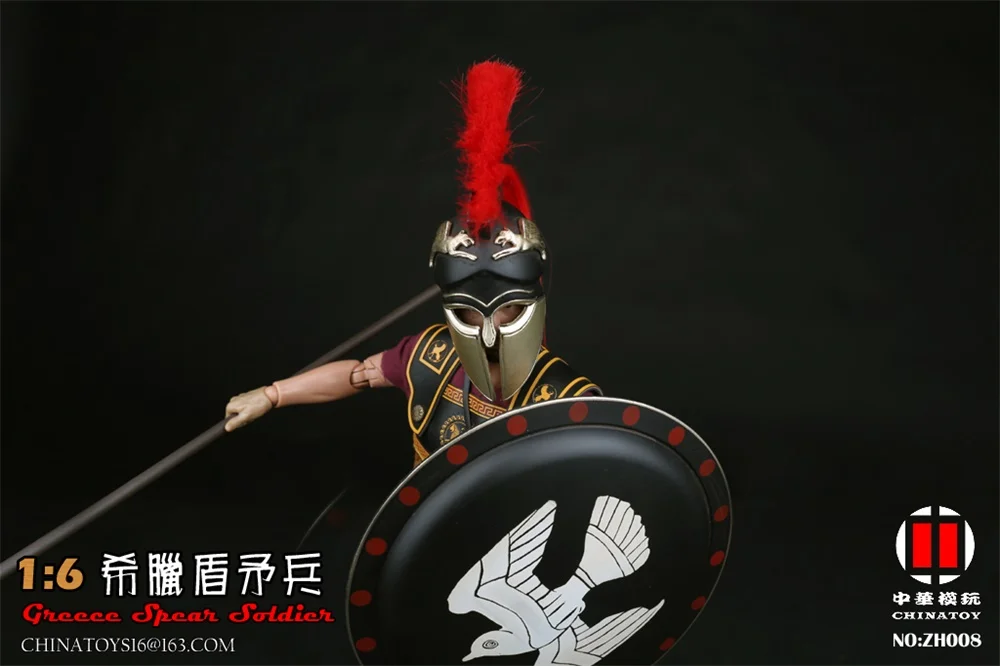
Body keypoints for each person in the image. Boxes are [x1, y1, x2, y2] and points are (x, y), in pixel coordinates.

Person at [224, 60, 601, 468]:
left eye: (507, 309)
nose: (489, 332)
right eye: (471, 313)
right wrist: (273, 394)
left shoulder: (568, 398)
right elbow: (356, 375)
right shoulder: (429, 355)